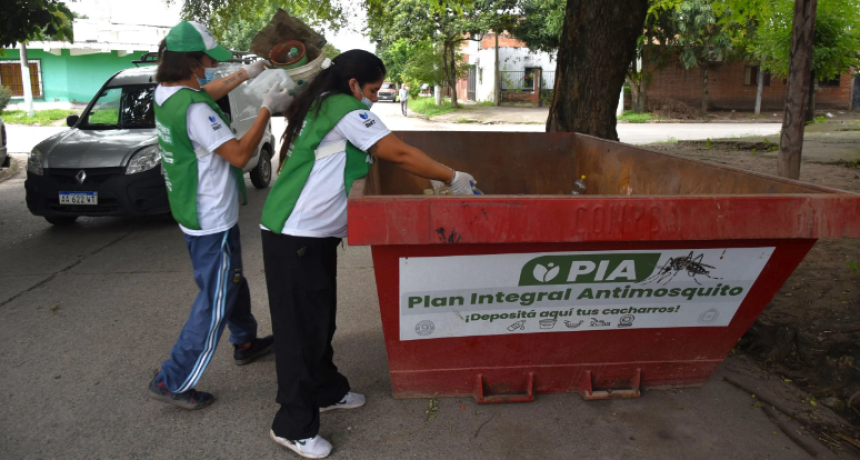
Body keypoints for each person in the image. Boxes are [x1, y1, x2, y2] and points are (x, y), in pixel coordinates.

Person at [260, 49, 478, 459]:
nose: (377, 97)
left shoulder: (325, 102)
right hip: (293, 234)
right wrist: (453, 177)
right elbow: (396, 152)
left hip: (313, 234)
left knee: (320, 319)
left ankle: (326, 389)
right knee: (299, 333)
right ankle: (291, 424)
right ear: (353, 84)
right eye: (374, 89)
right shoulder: (343, 108)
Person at [147, 20, 293, 410]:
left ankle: (244, 340)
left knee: (232, 278)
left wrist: (248, 74)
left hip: (195, 210)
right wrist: (267, 108)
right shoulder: (196, 112)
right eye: (209, 61)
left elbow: (208, 92)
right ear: (192, 63)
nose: (214, 67)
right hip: (210, 217)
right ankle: (172, 379)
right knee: (215, 298)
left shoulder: (168, 94)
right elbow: (241, 155)